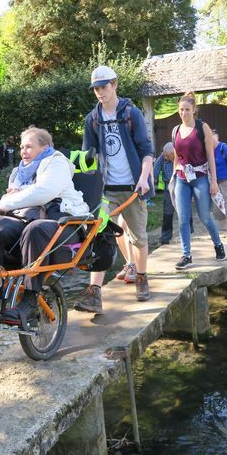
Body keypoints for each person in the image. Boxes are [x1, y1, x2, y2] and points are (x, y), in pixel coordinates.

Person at [0, 126, 89, 326]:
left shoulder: (57, 162)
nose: (23, 151)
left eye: (29, 147)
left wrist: (5, 202)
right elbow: (14, 198)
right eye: (21, 147)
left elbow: (43, 192)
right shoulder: (18, 171)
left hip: (63, 221)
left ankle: (29, 301)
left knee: (34, 230)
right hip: (26, 218)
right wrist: (9, 201)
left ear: (45, 146)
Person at [74, 65, 154, 313]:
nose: (100, 92)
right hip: (106, 193)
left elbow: (147, 152)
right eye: (96, 88)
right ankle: (94, 293)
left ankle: (141, 277)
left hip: (132, 189)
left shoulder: (133, 114)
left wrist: (144, 179)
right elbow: (88, 156)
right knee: (98, 236)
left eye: (104, 87)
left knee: (138, 237)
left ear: (114, 85)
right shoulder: (92, 119)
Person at [171, 91, 225, 270]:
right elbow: (177, 156)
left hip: (201, 178)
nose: (183, 113)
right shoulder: (176, 130)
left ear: (194, 111)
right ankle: (186, 255)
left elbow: (210, 155)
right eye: (181, 109)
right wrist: (174, 174)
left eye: (187, 109)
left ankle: (218, 244)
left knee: (205, 217)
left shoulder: (202, 128)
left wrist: (214, 182)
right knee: (183, 219)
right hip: (181, 179)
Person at [153, 142, 175, 245]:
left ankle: (190, 234)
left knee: (185, 212)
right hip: (168, 187)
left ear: (173, 153)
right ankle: (165, 238)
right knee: (167, 213)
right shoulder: (162, 157)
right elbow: (155, 171)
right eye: (164, 155)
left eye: (167, 155)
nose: (165, 157)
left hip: (180, 185)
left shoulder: (180, 156)